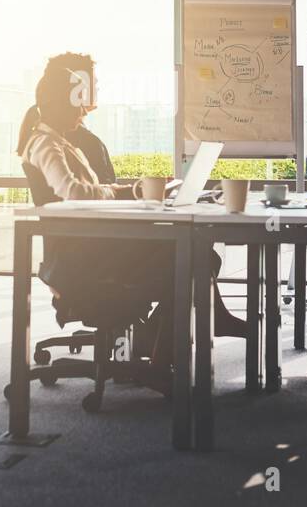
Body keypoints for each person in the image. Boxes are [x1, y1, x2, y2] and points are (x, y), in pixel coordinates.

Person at [16, 53, 247, 363]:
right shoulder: (45, 144)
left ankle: (156, 348)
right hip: (82, 258)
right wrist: (123, 193)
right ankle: (158, 352)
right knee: (191, 258)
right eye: (78, 104)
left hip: (89, 248)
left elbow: (90, 191)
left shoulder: (61, 141)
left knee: (197, 256)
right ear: (61, 103)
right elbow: (72, 192)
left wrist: (131, 191)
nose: (84, 111)